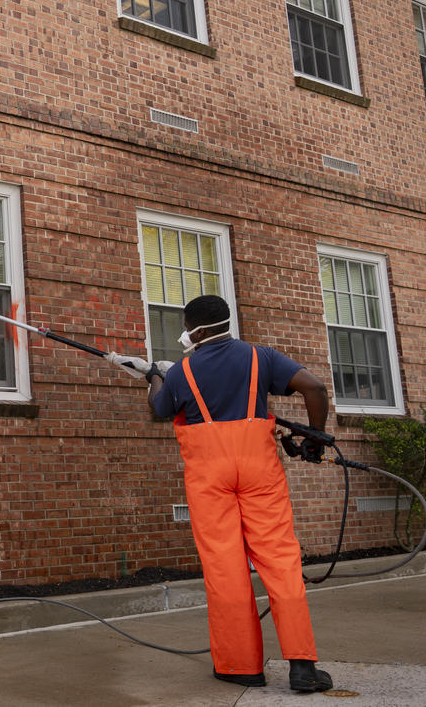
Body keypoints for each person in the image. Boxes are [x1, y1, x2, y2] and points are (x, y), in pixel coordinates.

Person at [109, 295, 334, 693]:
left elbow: (159, 409)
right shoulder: (260, 356)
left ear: (193, 330)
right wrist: (313, 438)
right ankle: (302, 666)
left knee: (225, 569)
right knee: (280, 561)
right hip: (259, 472)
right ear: (225, 322)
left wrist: (156, 374)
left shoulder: (183, 371)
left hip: (209, 477)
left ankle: (240, 666)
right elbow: (314, 388)